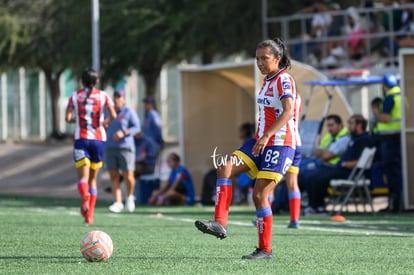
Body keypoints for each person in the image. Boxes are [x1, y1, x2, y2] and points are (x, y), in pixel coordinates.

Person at [195, 37, 297, 260]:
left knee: (260, 195)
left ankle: (265, 250)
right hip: (258, 140)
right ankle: (220, 223)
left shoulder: (284, 79)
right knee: (225, 168)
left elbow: (288, 111)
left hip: (279, 144)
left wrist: (268, 134)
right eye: (257, 58)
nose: (260, 62)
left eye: (265, 58)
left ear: (277, 58)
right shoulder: (267, 79)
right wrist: (261, 134)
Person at [65, 68, 116, 225]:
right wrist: (104, 123)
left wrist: (80, 121)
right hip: (98, 140)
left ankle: (84, 196)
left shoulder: (74, 96)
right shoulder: (103, 96)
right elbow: (113, 115)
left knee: (83, 179)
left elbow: (67, 118)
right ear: (97, 81)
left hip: (82, 139)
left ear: (82, 81)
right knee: (93, 180)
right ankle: (89, 216)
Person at [303, 114, 374, 214]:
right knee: (310, 175)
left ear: (359, 125)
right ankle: (314, 206)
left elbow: (360, 161)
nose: (348, 126)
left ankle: (317, 207)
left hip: (350, 173)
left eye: (351, 123)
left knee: (317, 177)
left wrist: (345, 164)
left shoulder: (364, 140)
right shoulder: (353, 138)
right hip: (341, 169)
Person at [105, 89, 141, 213]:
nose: (117, 100)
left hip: (125, 147)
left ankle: (130, 198)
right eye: (115, 97)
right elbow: (104, 123)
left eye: (119, 97)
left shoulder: (129, 112)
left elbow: (137, 127)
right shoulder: (109, 111)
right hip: (110, 147)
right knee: (114, 175)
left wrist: (124, 133)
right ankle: (118, 202)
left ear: (124, 99)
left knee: (128, 175)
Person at [372, 73, 403, 212]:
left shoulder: (390, 98)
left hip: (390, 140)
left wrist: (376, 113)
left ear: (384, 86)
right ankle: (401, 203)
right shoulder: (403, 95)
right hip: (400, 138)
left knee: (391, 172)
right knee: (400, 172)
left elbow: (385, 118)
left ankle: (395, 205)